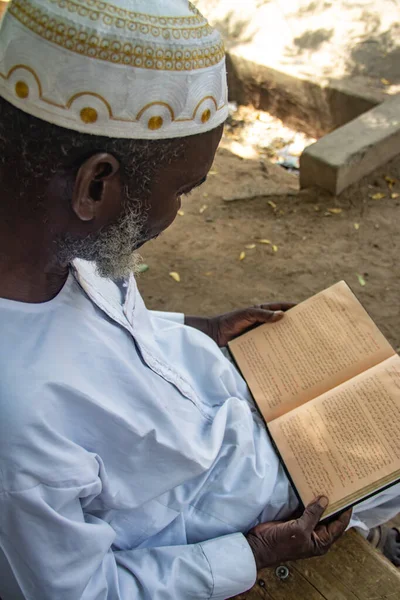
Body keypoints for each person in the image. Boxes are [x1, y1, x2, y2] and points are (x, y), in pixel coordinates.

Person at [0, 1, 399, 598]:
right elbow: (83, 590)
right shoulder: (17, 425)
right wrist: (254, 552)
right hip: (216, 512)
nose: (179, 211)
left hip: (231, 401)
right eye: (183, 189)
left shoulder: (53, 236)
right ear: (97, 184)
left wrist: (201, 327)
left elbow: (90, 336)